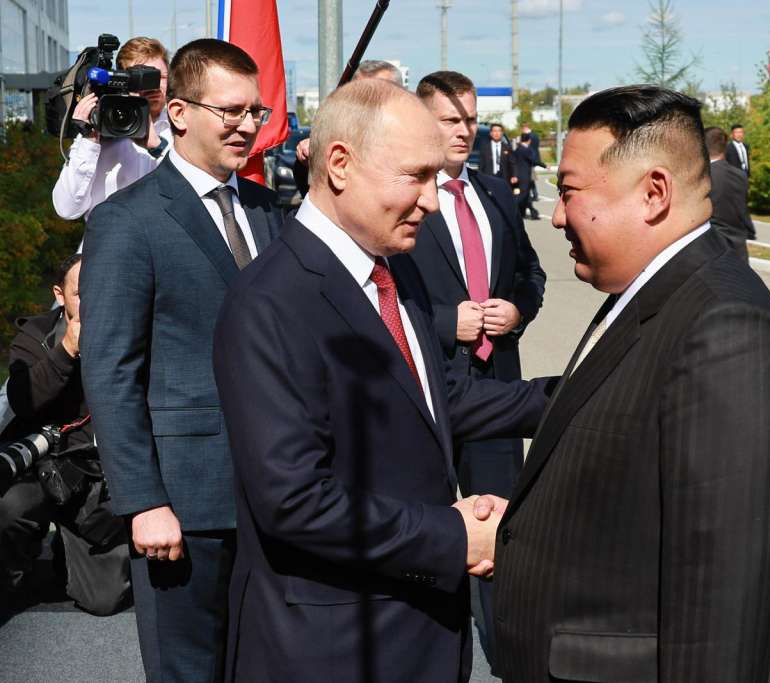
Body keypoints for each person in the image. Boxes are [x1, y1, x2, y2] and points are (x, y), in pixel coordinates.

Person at [489, 85, 770, 682]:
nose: (557, 215)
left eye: (569, 192)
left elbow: (722, 608)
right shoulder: (651, 290)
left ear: (653, 193)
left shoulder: (728, 329)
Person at [212, 78, 552, 683]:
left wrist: (575, 397)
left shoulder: (393, 271)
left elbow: (435, 400)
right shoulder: (270, 303)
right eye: (415, 177)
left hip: (418, 630)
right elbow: (294, 502)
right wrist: (454, 537)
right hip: (334, 648)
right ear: (340, 164)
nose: (432, 201)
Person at [79, 39, 284, 682]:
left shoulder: (267, 211)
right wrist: (142, 500)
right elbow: (110, 371)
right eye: (230, 111)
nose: (247, 125)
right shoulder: (126, 220)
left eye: (254, 111)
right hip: (183, 504)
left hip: (277, 497)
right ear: (178, 112)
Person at [412, 69, 546, 669]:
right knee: (431, 534)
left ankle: (506, 658)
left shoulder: (493, 193)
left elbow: (531, 273)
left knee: (501, 535)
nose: (463, 130)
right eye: (450, 119)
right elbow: (378, 289)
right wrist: (446, 322)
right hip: (429, 395)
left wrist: (516, 310)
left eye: (469, 118)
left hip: (496, 392)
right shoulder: (405, 197)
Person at [0, 254, 131, 616]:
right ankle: (13, 571)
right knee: (9, 507)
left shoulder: (132, 331)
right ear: (59, 295)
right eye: (81, 293)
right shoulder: (36, 335)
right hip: (43, 465)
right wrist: (68, 350)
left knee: (104, 599)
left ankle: (68, 555)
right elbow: (23, 400)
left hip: (94, 476)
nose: (93, 300)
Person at [52, 37, 173, 221]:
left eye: (160, 77)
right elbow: (66, 209)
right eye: (143, 77)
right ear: (120, 81)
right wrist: (90, 140)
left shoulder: (182, 127)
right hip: (108, 237)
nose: (153, 85)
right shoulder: (99, 127)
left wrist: (158, 147)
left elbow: (195, 195)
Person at [293, 59, 405, 197]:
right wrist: (311, 159)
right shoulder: (338, 137)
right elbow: (315, 192)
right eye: (360, 93)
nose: (369, 101)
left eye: (379, 92)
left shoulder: (416, 141)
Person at [705, 126, 756, 261]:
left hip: (711, 247)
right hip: (738, 247)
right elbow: (741, 208)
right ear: (725, 147)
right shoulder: (740, 175)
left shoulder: (703, 176)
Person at [512, 134, 544, 220]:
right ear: (529, 140)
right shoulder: (526, 150)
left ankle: (529, 213)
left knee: (526, 196)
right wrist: (544, 165)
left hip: (519, 175)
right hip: (524, 176)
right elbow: (534, 160)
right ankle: (512, 211)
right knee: (523, 196)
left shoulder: (517, 149)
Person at [520, 123, 542, 201]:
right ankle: (534, 195)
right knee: (530, 177)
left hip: (528, 158)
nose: (522, 131)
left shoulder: (527, 136)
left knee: (529, 177)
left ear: (525, 128)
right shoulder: (535, 135)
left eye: (522, 129)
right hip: (534, 158)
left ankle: (532, 195)